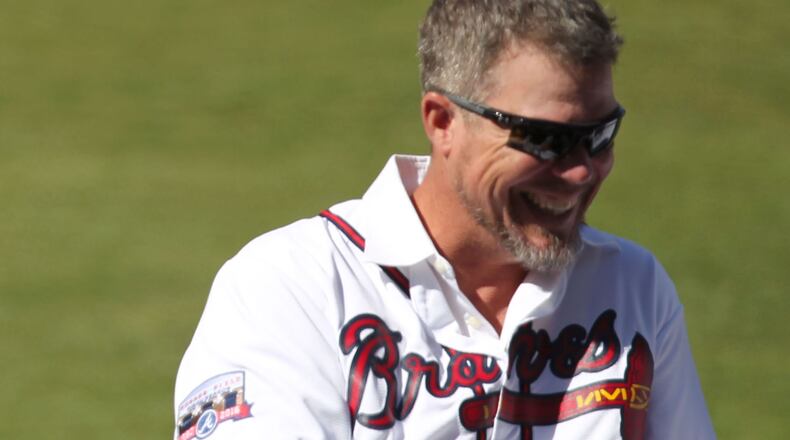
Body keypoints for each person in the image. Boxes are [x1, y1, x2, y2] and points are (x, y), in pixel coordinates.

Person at [173, 0, 716, 438]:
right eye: (547, 140)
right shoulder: (293, 286)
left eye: (601, 135)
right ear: (442, 121)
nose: (579, 173)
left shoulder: (632, 288)